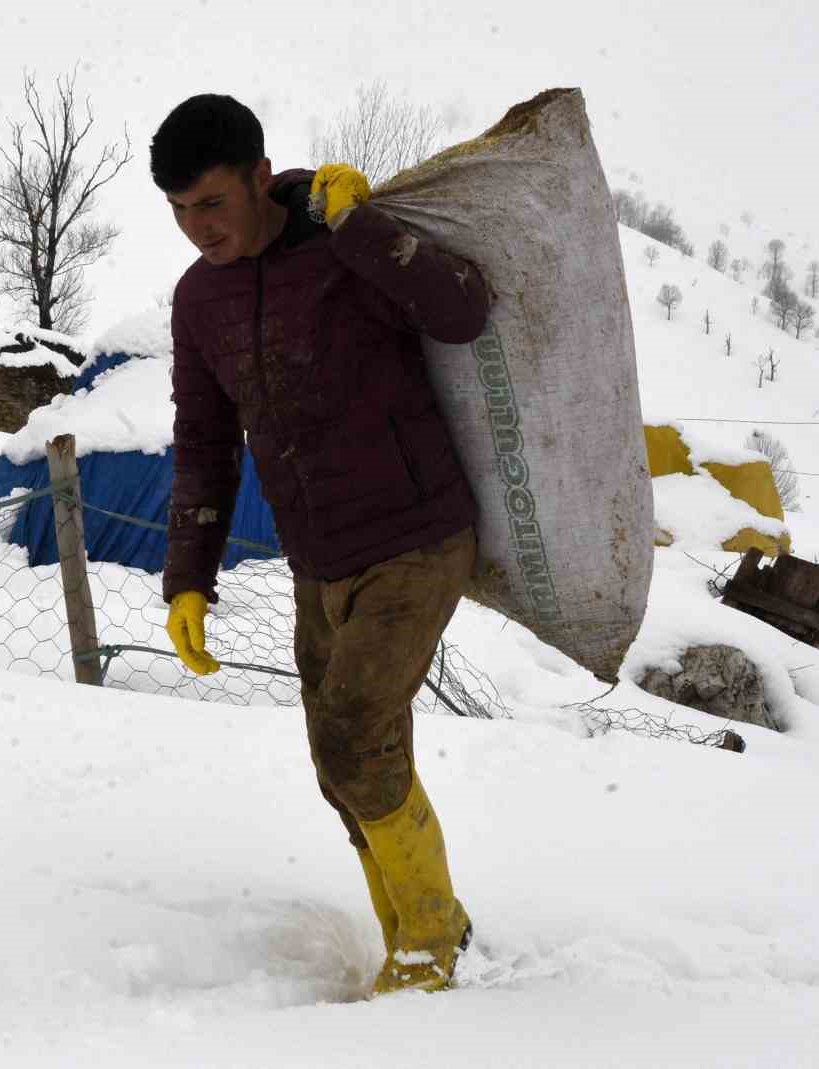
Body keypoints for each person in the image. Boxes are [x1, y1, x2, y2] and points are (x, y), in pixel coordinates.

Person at [150, 94, 491, 995]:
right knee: (339, 766)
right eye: (178, 211)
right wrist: (189, 578)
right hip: (319, 556)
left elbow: (464, 311)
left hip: (418, 533)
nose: (197, 228)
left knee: (353, 733)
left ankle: (427, 945)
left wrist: (364, 229)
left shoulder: (344, 243)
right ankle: (415, 919)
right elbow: (204, 442)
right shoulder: (199, 299)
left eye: (211, 203)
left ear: (260, 178)